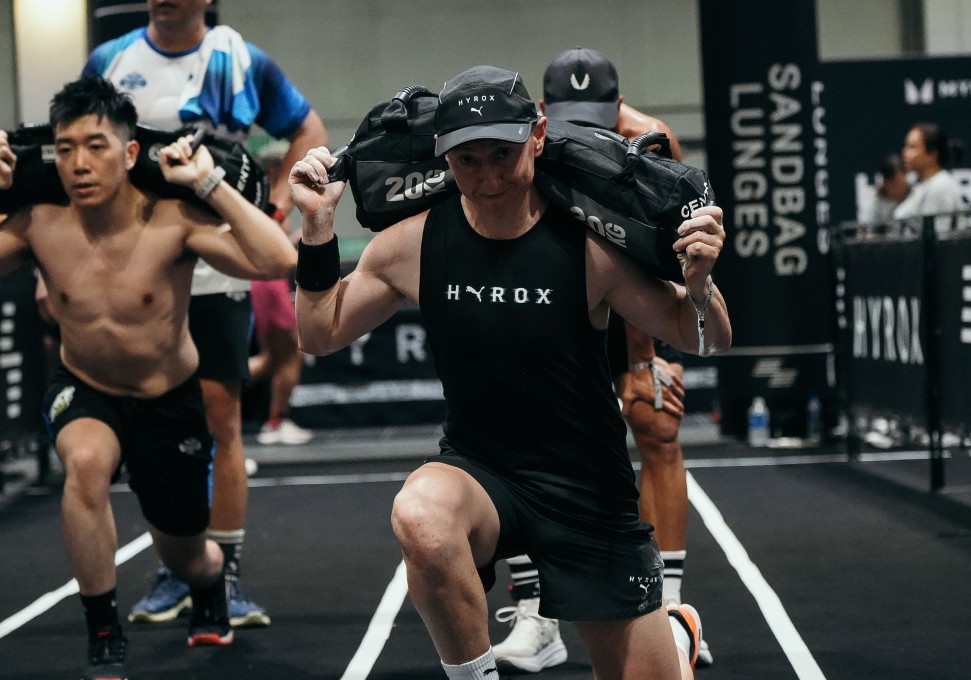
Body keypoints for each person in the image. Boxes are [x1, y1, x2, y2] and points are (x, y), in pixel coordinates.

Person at [291, 64, 730, 680]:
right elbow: (318, 333)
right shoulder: (412, 245)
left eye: (504, 153)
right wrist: (315, 228)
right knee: (421, 514)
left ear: (539, 134)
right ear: (444, 158)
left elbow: (703, 338)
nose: (489, 177)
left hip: (588, 494)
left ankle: (676, 637)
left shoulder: (590, 246)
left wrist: (700, 282)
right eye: (468, 161)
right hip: (484, 476)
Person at [0, 76, 295, 678]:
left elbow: (277, 260)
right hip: (83, 387)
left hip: (167, 399)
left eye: (96, 146)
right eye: (66, 148)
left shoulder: (173, 218)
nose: (78, 163)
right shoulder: (39, 221)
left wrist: (208, 182)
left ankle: (207, 588)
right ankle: (103, 629)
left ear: (129, 153)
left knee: (186, 555)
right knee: (87, 463)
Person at [82, 0, 328, 627]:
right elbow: (78, 153)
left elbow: (309, 131)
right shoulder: (111, 60)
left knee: (221, 421)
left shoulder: (239, 58)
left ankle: (227, 575)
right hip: (137, 268)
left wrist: (273, 208)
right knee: (150, 421)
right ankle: (176, 567)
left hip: (218, 263)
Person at [487, 46, 712, 673]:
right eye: (566, 115)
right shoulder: (528, 140)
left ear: (619, 107)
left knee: (656, 421)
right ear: (542, 112)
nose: (580, 125)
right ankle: (538, 616)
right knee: (519, 444)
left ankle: (667, 608)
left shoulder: (654, 143)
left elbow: (653, 250)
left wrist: (643, 363)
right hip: (557, 295)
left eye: (596, 114)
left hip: (629, 295)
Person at [249, 140, 314, 446]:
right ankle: (276, 422)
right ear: (276, 169)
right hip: (268, 283)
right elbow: (271, 251)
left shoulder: (267, 201)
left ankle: (275, 421)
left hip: (268, 281)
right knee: (287, 354)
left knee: (273, 359)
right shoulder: (266, 200)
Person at [892, 122, 964, 229]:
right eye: (906, 146)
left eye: (912, 147)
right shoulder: (917, 183)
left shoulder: (940, 186)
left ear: (932, 155)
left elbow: (939, 238)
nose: (905, 153)